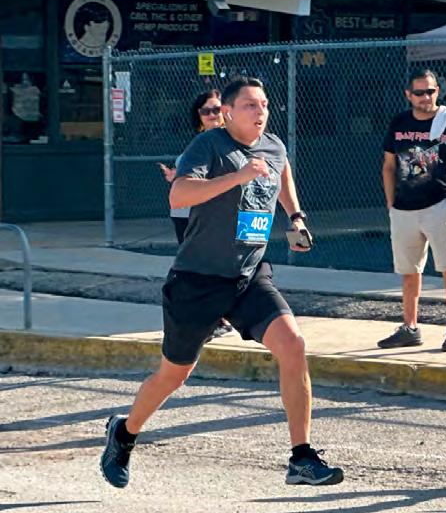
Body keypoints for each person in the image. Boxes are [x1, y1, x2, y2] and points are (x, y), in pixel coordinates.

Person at [101, 77, 343, 488]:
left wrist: (296, 217)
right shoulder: (209, 145)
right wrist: (238, 176)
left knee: (293, 345)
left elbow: (281, 171)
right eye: (250, 105)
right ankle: (124, 433)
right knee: (174, 375)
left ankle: (301, 457)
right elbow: (179, 195)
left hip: (248, 274)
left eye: (264, 104)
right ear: (227, 112)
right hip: (197, 279)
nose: (260, 111)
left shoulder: (273, 146)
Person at [378, 69, 446, 352]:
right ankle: (410, 327)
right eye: (419, 92)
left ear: (438, 91)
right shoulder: (399, 122)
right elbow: (388, 166)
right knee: (409, 271)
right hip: (403, 208)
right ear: (408, 95)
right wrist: (390, 203)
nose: (426, 97)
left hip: (439, 206)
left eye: (431, 91)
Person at [159, 90, 233, 341]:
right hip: (186, 214)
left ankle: (215, 318)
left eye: (216, 109)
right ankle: (207, 320)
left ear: (226, 111)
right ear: (198, 116)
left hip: (215, 215)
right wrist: (176, 177)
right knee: (196, 268)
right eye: (205, 111)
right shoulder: (198, 144)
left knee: (218, 266)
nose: (212, 115)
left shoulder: (230, 143)